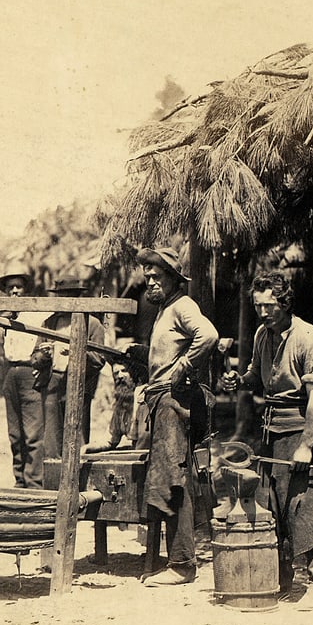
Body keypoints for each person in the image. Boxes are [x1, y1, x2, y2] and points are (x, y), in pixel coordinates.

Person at [220, 271, 313, 610]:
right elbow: (256, 377)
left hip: (305, 428)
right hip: (271, 431)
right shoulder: (264, 334)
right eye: (258, 305)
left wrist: (307, 444)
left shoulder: (310, 338)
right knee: (272, 504)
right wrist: (239, 381)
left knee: (309, 504)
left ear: (285, 302)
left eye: (269, 306)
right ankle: (282, 581)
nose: (262, 312)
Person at [131, 247, 218, 587]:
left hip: (174, 402)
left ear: (173, 279)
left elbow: (207, 335)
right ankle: (168, 559)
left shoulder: (182, 305)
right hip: (161, 399)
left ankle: (182, 565)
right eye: (147, 276)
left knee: (174, 479)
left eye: (157, 276)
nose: (150, 281)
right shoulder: (163, 310)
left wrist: (184, 366)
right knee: (166, 478)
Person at [33, 277, 106, 470]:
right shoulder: (49, 322)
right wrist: (45, 355)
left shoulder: (93, 324)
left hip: (79, 384)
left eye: (70, 296)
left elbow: (99, 359)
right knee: (51, 440)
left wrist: (77, 352)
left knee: (77, 436)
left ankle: (77, 483)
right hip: (52, 383)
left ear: (79, 296)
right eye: (62, 296)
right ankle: (51, 487)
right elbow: (35, 357)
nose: (66, 299)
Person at [0, 264, 48, 489]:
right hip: (11, 374)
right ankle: (20, 481)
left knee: (32, 433)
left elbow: (47, 344)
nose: (15, 292)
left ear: (26, 290)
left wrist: (41, 363)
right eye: (10, 289)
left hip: (29, 372)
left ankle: (34, 483)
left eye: (18, 287)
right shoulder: (3, 318)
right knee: (15, 433)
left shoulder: (38, 315)